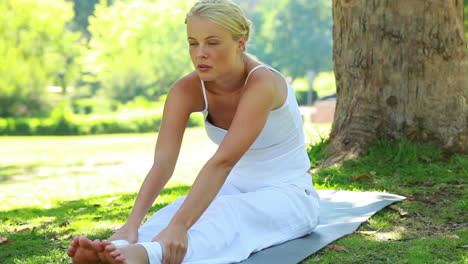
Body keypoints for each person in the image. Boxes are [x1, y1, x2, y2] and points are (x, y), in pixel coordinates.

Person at [67, 0, 320, 263]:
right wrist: (132, 224)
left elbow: (223, 162)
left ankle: (147, 256)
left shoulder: (262, 83)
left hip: (290, 195)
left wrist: (181, 226)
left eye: (212, 43)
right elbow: (163, 163)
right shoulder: (185, 90)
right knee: (173, 212)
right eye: (193, 43)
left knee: (222, 214)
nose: (200, 53)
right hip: (233, 187)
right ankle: (119, 246)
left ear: (241, 43)